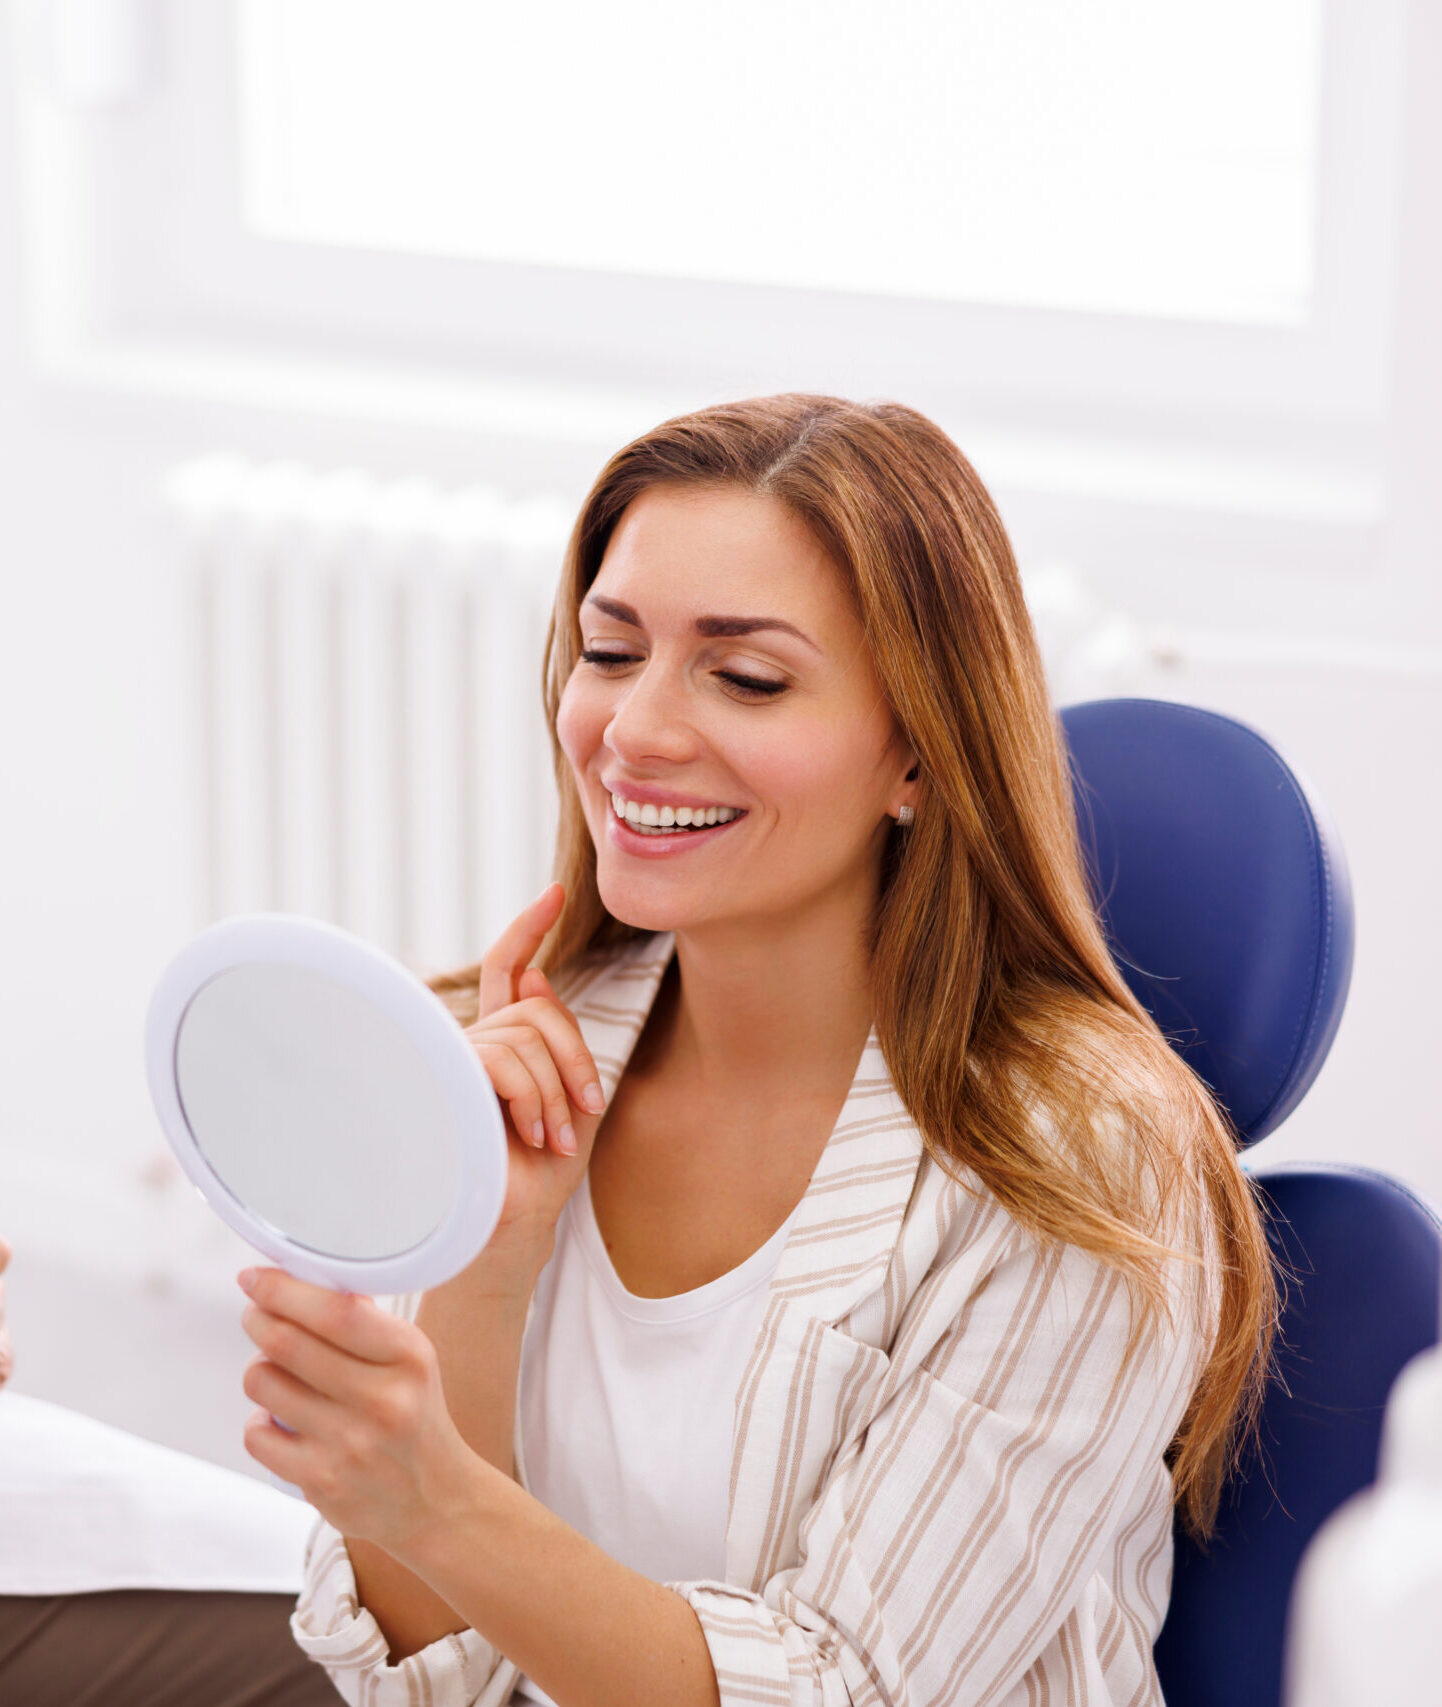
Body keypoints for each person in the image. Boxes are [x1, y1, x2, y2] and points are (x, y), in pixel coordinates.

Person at [7, 393, 1277, 1707]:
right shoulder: (532, 1050)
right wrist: (484, 1274)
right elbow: (420, 1683)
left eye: (744, 677)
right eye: (610, 653)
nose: (634, 730)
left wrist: (433, 1498)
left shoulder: (1083, 1167)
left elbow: (849, 1691)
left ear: (916, 754)